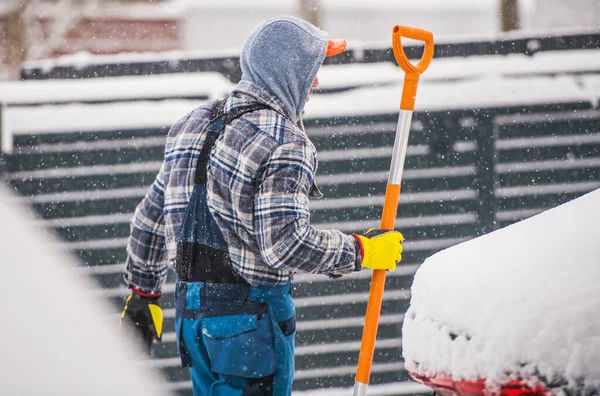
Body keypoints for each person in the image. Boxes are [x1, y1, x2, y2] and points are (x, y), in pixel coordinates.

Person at [120, 15, 404, 396]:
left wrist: (143, 293)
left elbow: (152, 216)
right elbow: (286, 245)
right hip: (249, 324)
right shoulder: (286, 142)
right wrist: (361, 250)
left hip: (192, 319)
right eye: (311, 69)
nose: (315, 82)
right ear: (288, 71)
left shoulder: (192, 124)